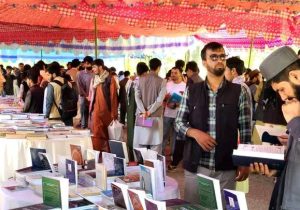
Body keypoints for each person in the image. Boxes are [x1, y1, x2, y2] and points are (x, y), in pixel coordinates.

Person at [175, 42, 252, 204]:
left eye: (222, 56)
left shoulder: (239, 91)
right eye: (214, 57)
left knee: (222, 207)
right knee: (194, 207)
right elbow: (179, 123)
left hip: (226, 166)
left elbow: (245, 130)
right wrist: (195, 133)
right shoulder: (192, 90)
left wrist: (245, 162)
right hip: (196, 165)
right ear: (204, 62)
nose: (219, 60)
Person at [252, 46, 300, 210]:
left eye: (282, 89)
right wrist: (277, 169)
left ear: (295, 75)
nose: (282, 97)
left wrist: (294, 122)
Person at [133, 58, 167, 154]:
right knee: (155, 144)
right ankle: (153, 166)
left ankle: (141, 165)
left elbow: (137, 98)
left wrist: (144, 111)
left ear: (150, 66)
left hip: (142, 116)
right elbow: (160, 100)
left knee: (141, 142)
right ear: (159, 67)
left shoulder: (139, 80)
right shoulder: (162, 81)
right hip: (155, 117)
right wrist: (149, 111)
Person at [88, 59, 118, 152]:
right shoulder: (94, 79)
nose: (93, 69)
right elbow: (91, 96)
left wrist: (114, 113)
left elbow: (113, 97)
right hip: (96, 110)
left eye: (94, 67)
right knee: (97, 134)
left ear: (100, 67)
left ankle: (110, 155)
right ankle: (98, 155)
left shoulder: (110, 79)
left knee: (109, 135)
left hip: (107, 112)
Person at [126, 63, 149, 161]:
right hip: (144, 113)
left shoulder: (130, 82)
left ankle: (133, 157)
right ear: (146, 72)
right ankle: (143, 159)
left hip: (133, 114)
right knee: (145, 136)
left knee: (134, 136)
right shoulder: (144, 82)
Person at [162, 67, 186, 156]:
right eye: (172, 73)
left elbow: (187, 102)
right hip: (167, 114)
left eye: (176, 73)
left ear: (181, 74)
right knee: (164, 135)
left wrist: (176, 104)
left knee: (175, 137)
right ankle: (161, 154)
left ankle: (173, 155)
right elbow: (162, 99)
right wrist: (165, 98)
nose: (173, 75)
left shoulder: (185, 86)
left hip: (179, 116)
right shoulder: (167, 84)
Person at [77, 56, 93, 129]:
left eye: (89, 63)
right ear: (84, 64)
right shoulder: (80, 74)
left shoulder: (94, 73)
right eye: (86, 63)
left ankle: (91, 127)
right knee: (83, 112)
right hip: (83, 96)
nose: (87, 65)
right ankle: (83, 127)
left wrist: (91, 96)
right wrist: (86, 96)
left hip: (93, 97)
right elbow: (79, 86)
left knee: (92, 113)